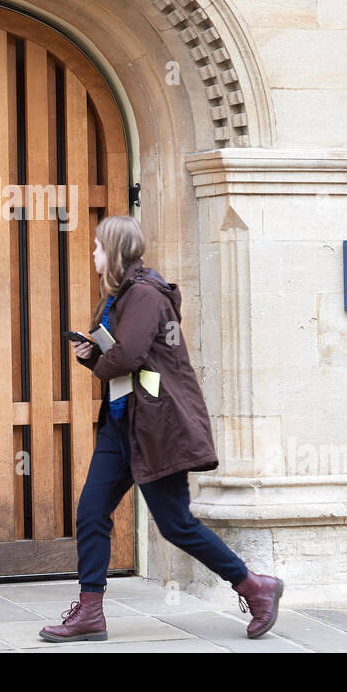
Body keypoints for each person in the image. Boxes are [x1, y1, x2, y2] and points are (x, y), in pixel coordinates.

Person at [39, 214, 283, 642]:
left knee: (176, 525)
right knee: (92, 512)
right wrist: (92, 354)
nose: (92, 254)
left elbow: (129, 357)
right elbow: (122, 359)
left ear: (113, 251)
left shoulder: (145, 297)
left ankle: (255, 587)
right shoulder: (121, 297)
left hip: (157, 428)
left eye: (97, 247)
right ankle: (91, 612)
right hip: (122, 424)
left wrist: (96, 358)